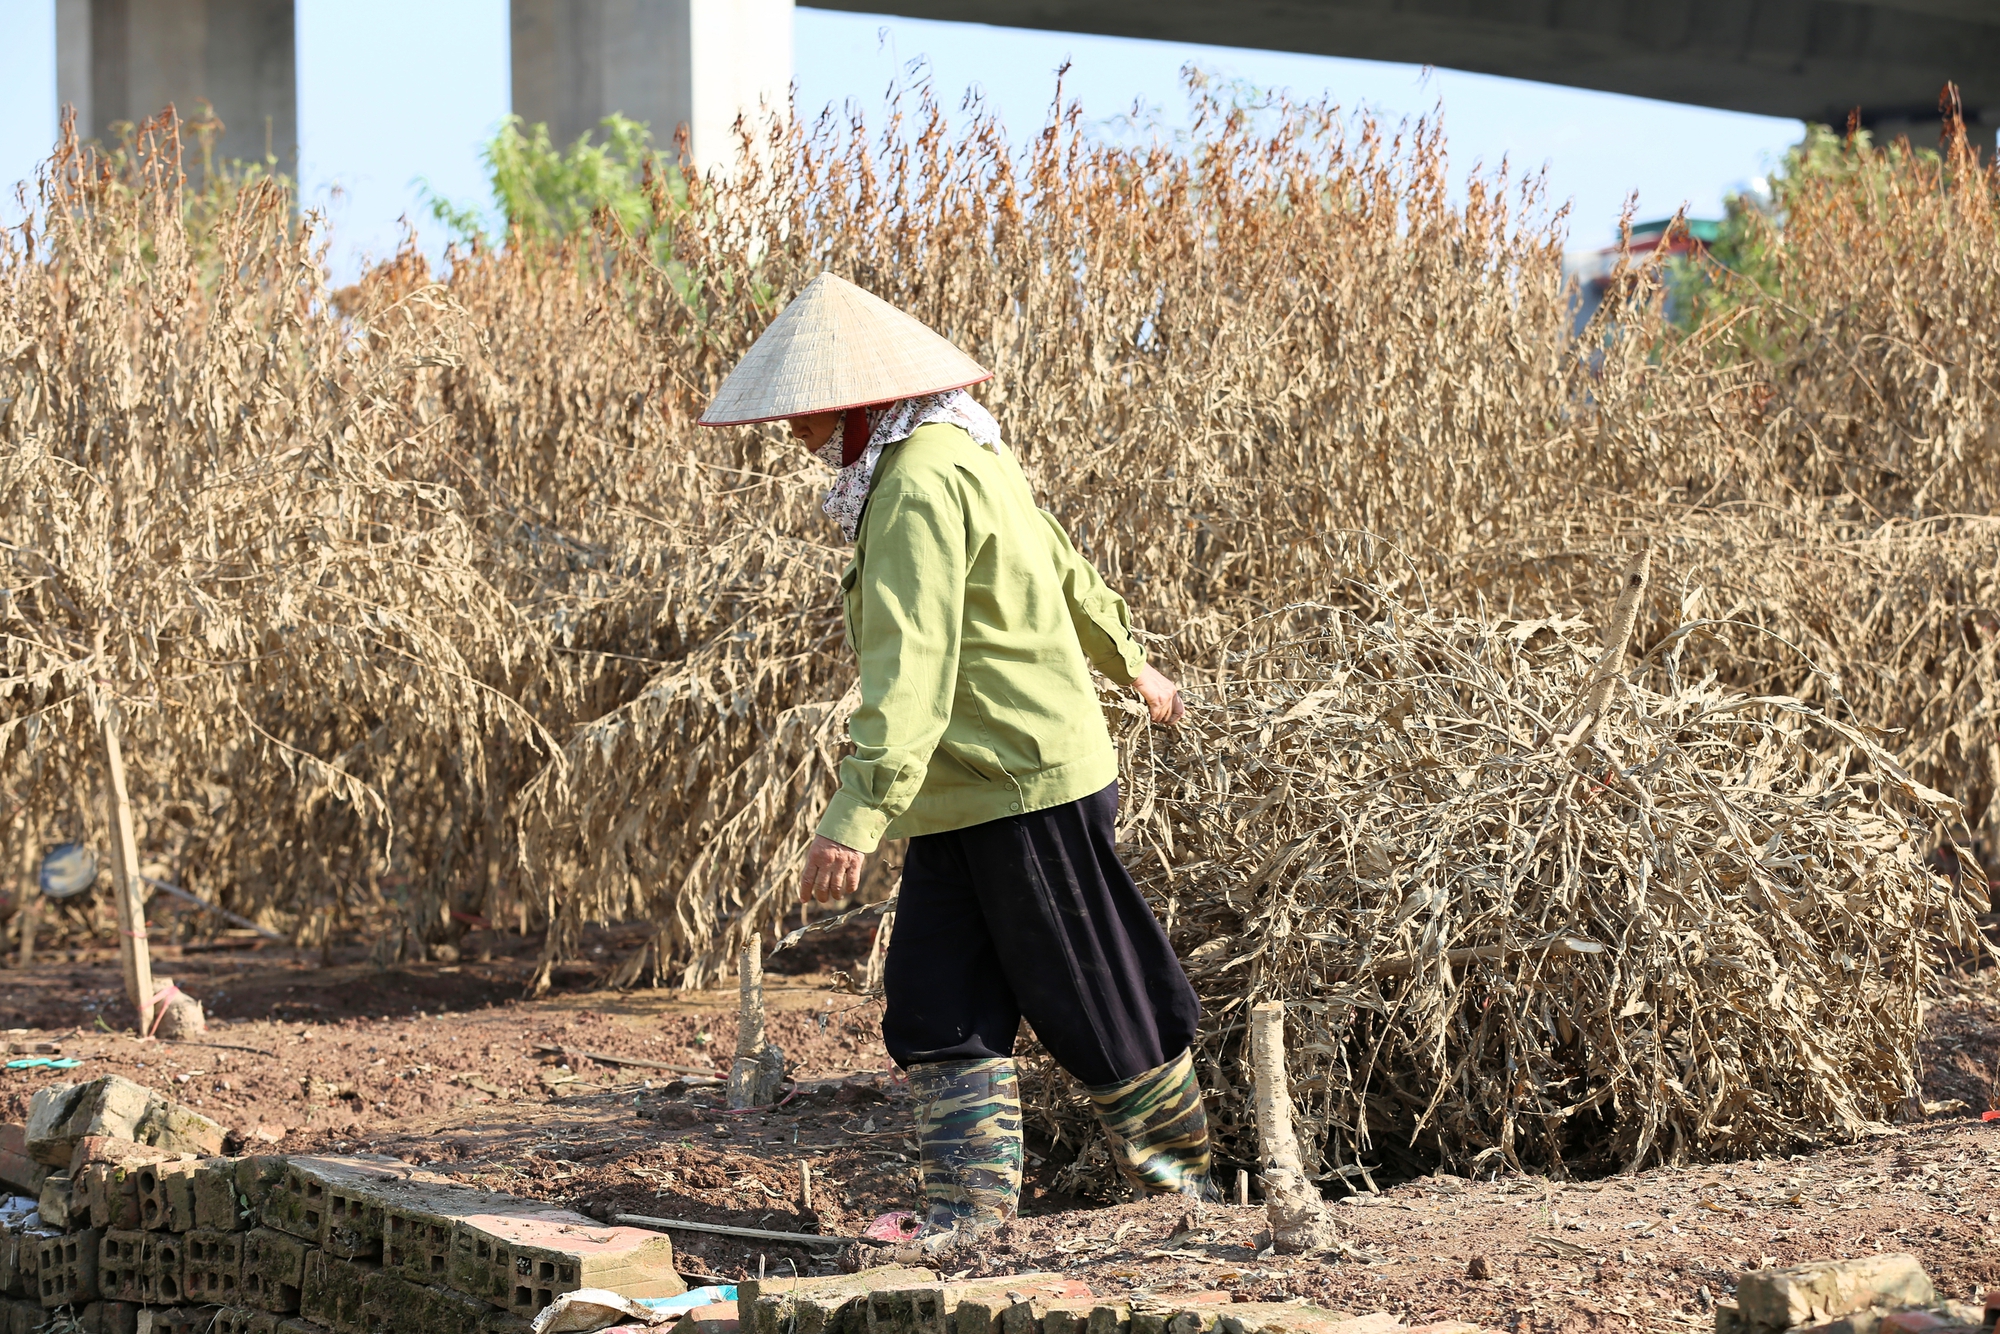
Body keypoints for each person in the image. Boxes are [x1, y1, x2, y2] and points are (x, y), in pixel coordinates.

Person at [700, 272, 1213, 1236]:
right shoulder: (961, 448)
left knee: (1101, 1003)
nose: (794, 437)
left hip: (1019, 781)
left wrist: (854, 816)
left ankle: (1193, 1201)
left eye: (804, 415)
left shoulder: (916, 487)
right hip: (963, 792)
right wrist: (1132, 664)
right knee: (937, 1001)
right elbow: (1066, 565)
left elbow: (914, 672)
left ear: (857, 406)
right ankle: (968, 1220)